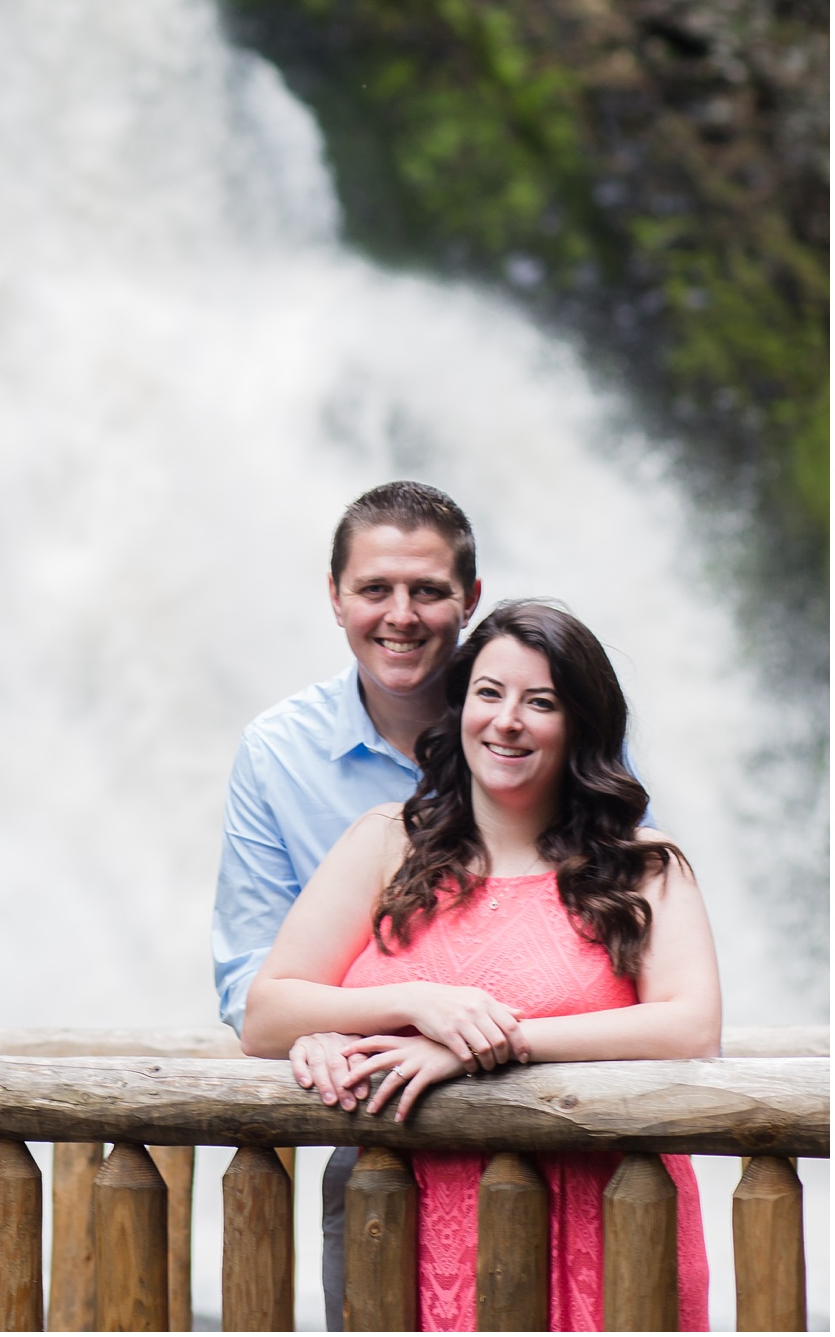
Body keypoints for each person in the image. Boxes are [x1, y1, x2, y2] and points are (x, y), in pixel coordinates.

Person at [242, 601, 717, 1333]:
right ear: (459, 706)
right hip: (404, 1219)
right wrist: (418, 1003)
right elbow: (267, 1012)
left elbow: (690, 1027)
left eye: (542, 701)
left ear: (581, 724)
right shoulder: (383, 842)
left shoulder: (643, 864)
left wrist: (492, 1044)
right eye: (489, 693)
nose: (507, 720)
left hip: (608, 1219)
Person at [213, 480, 482, 1323]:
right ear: (335, 597)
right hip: (378, 1149)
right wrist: (322, 1021)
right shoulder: (277, 751)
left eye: (428, 590)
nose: (399, 614)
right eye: (374, 589)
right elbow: (248, 977)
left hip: (562, 1125)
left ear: (470, 598)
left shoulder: (540, 721)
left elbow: (625, 912)